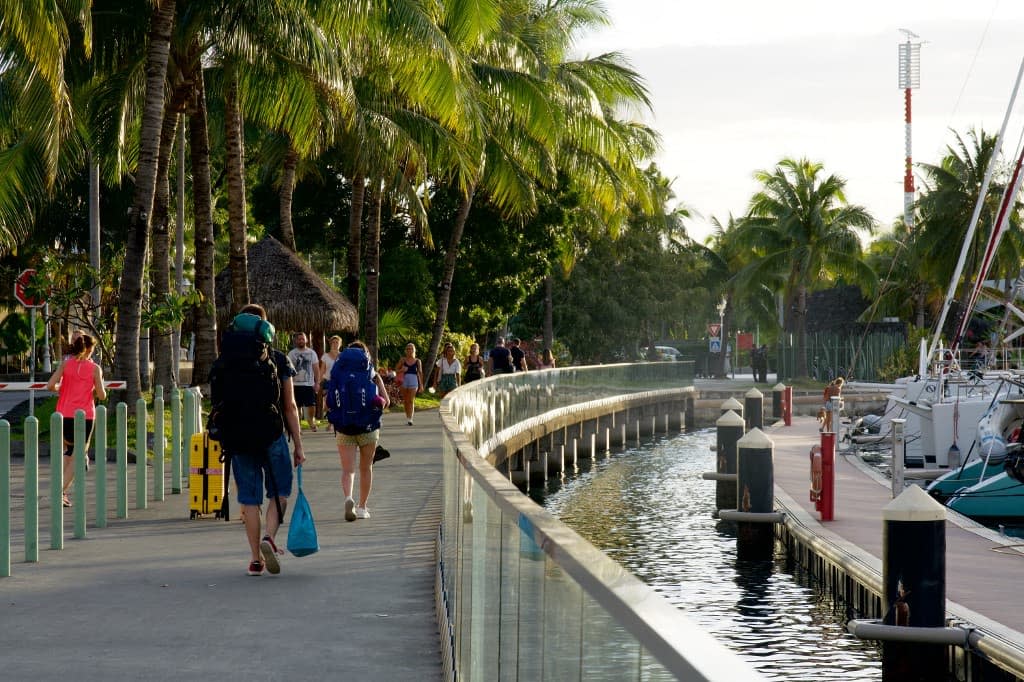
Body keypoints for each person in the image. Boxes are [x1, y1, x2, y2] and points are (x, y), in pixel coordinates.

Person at [214, 303, 305, 576]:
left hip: (238, 437)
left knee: (249, 500)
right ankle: (270, 536)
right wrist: (298, 444)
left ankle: (255, 559)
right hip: (272, 434)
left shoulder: (226, 359)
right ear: (265, 327)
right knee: (280, 492)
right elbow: (289, 406)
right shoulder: (277, 359)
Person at [46, 333, 106, 508]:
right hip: (85, 415)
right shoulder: (95, 368)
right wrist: (94, 389)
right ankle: (58, 491)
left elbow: (50, 386)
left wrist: (62, 388)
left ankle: (62, 492)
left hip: (63, 413)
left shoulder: (65, 364)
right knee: (79, 456)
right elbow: (102, 395)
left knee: (69, 453)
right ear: (89, 349)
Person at [335, 341, 390, 521]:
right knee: (365, 468)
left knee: (347, 470)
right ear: (366, 355)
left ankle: (348, 498)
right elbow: (386, 401)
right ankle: (362, 507)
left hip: (344, 427)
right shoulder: (371, 373)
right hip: (368, 427)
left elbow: (330, 399)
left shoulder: (339, 372)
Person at [287, 332, 321, 432]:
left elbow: (316, 368)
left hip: (308, 384)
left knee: (311, 405)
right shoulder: (291, 353)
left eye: (303, 339)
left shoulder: (312, 353)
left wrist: (317, 382)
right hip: (295, 385)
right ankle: (298, 426)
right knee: (297, 406)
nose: (301, 341)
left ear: (306, 340)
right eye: (299, 339)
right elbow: (288, 369)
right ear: (296, 341)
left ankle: (311, 421)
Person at [393, 342, 424, 425]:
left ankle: (410, 419)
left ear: (414, 350)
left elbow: (420, 373)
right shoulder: (403, 360)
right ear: (406, 350)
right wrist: (402, 370)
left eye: (411, 349)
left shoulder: (418, 361)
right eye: (408, 349)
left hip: (414, 381)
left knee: (411, 400)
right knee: (406, 400)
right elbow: (395, 370)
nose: (409, 350)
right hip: (404, 381)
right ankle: (407, 416)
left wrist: (421, 385)